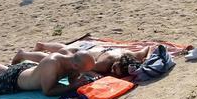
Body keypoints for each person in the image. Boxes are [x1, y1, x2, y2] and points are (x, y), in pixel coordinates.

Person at [0, 50, 96, 96]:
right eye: (85, 70)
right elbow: (48, 91)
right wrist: (72, 86)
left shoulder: (71, 60)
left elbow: (72, 79)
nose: (86, 73)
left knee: (6, 70)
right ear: (76, 65)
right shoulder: (52, 63)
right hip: (17, 81)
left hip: (26, 70)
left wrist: (80, 82)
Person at [13, 41, 161, 78]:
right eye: (115, 69)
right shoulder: (104, 64)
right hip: (86, 54)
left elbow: (147, 49)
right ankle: (23, 54)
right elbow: (86, 69)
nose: (114, 73)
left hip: (94, 50)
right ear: (116, 63)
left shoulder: (131, 56)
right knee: (55, 59)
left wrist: (145, 61)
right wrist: (92, 74)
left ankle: (42, 45)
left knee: (65, 48)